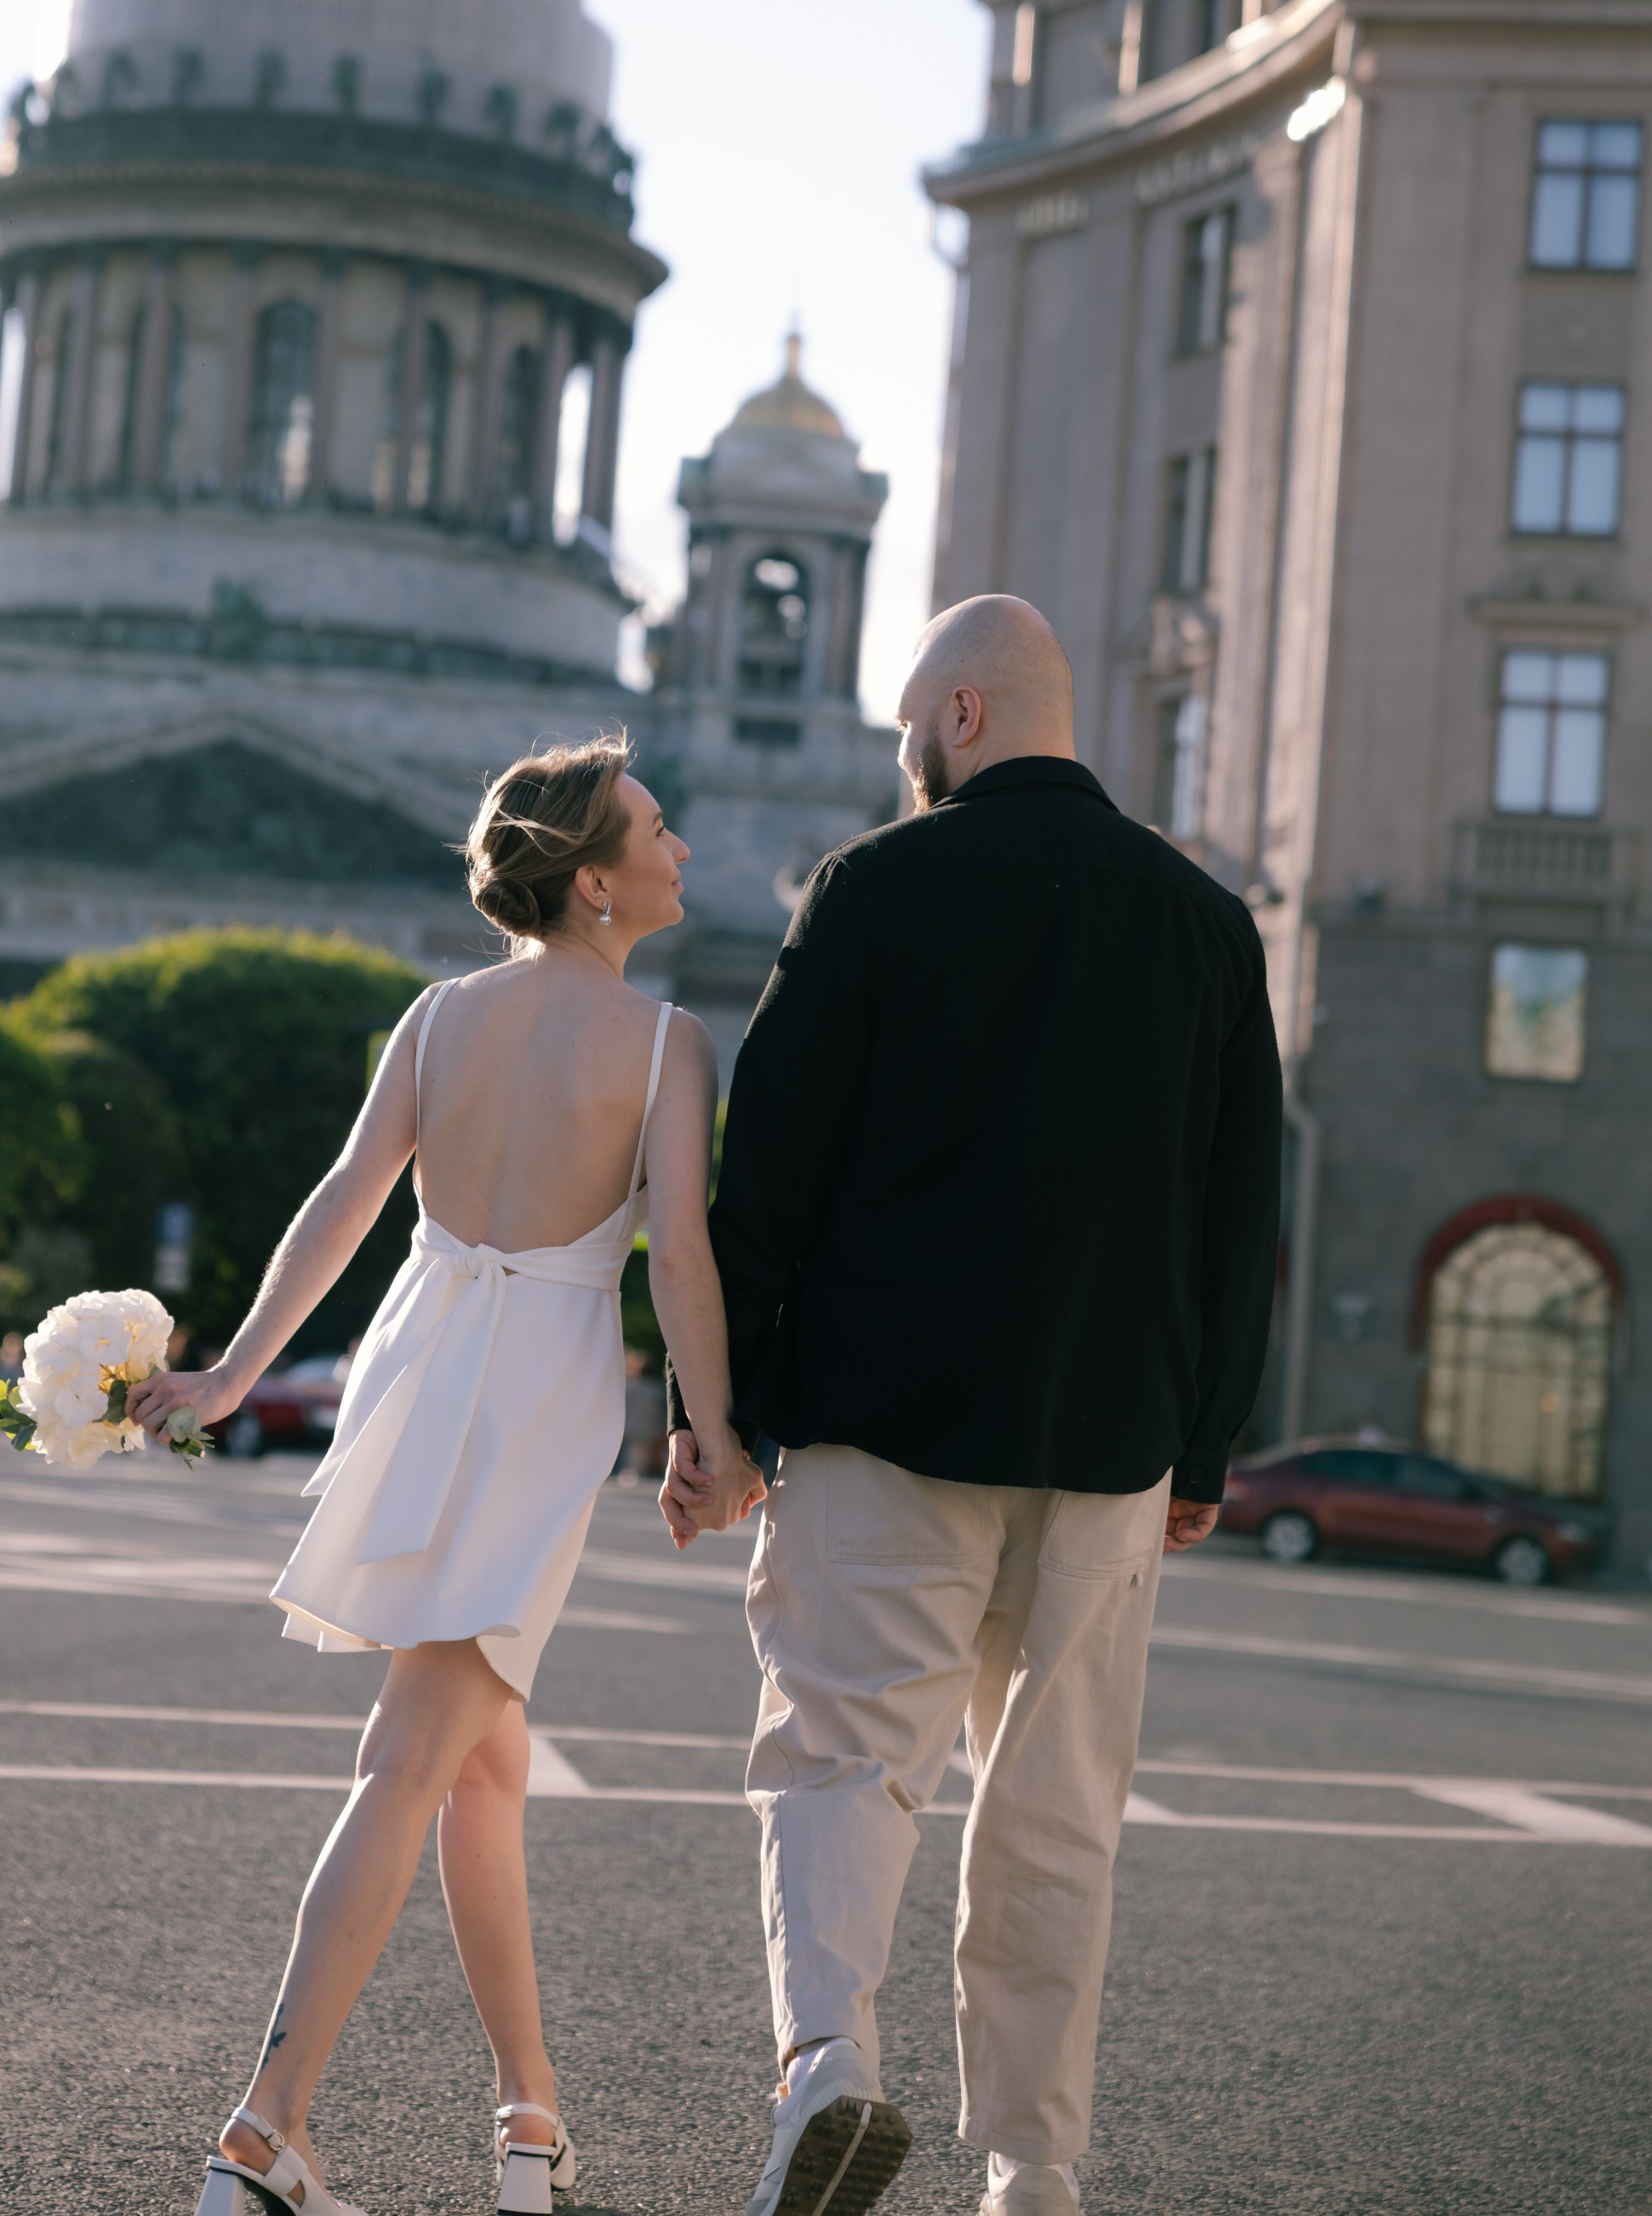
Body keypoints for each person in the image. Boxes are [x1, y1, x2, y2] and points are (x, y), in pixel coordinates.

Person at [664, 595, 1283, 2216]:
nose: (902, 762)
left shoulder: (871, 887)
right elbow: (1240, 1215)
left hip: (885, 1418)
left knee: (842, 1758)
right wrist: (1202, 1441)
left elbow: (770, 1177)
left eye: (904, 733)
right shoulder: (1211, 927)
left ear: (954, 714)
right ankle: (1033, 2167)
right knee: (1057, 1806)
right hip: (1109, 1446)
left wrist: (713, 1415)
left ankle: (829, 2074)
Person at [130, 735, 763, 2216]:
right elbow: (679, 1257)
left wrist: (230, 1370)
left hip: (412, 1374)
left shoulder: (436, 1015)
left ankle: (528, 2118)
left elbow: (344, 1205)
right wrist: (712, 1435)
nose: (683, 851)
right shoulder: (668, 1044)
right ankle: (263, 2127)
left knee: (484, 1769)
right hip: (538, 1398)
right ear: (597, 883)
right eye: (660, 832)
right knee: (411, 1760)